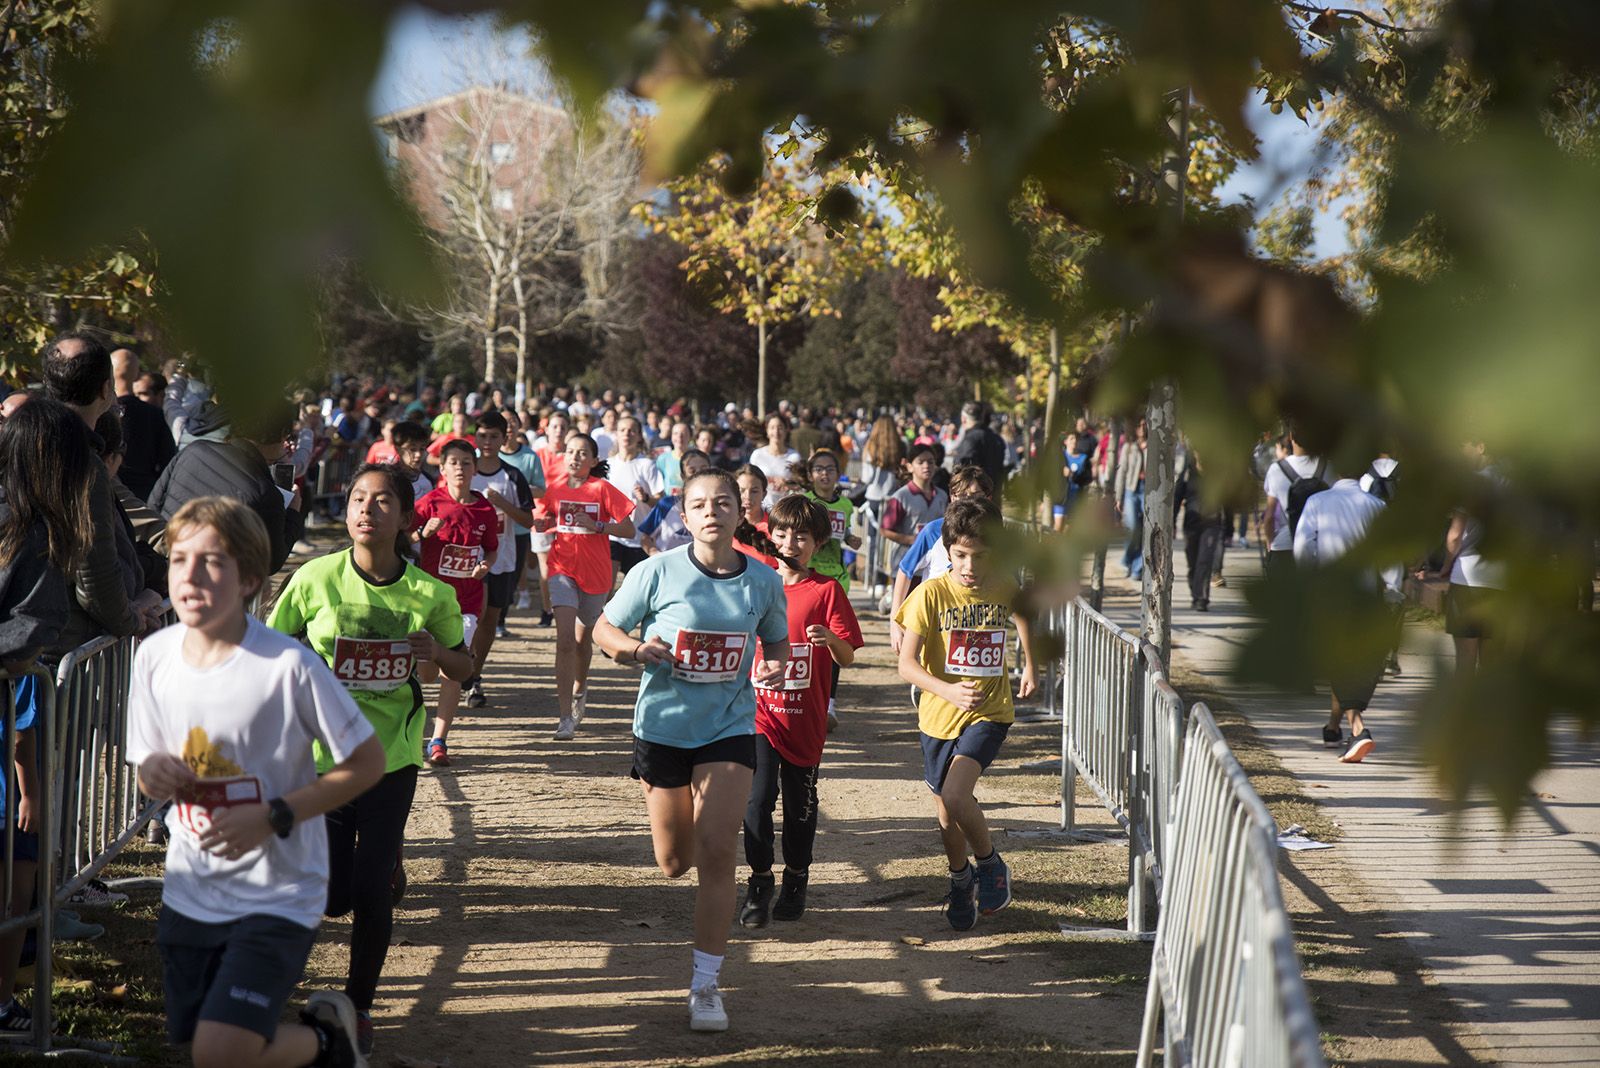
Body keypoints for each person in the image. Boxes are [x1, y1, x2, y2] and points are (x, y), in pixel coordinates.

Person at [128, 496, 384, 1068]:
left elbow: (366, 761)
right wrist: (153, 771)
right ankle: (328, 1047)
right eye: (178, 559)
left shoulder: (287, 665)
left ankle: (324, 1045)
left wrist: (275, 814)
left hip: (279, 892)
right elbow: (146, 766)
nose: (189, 576)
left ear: (248, 579)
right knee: (205, 1047)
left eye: (211, 562)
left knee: (221, 1052)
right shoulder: (153, 656)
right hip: (191, 888)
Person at [268, 466, 475, 1056]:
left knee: (371, 888)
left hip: (391, 757)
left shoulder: (430, 593)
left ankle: (359, 1005)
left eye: (382, 501)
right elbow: (271, 645)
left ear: (406, 518)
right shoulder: (315, 578)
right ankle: (373, 876)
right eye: (359, 499)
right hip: (321, 758)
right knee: (332, 895)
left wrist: (435, 652)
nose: (367, 510)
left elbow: (462, 669)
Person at [590, 468, 790, 1032]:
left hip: (729, 726)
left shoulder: (762, 580)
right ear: (683, 513)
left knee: (719, 851)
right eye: (700, 504)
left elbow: (775, 636)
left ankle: (706, 986)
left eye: (722, 503)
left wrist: (771, 660)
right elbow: (604, 627)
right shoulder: (656, 571)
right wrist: (634, 650)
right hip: (663, 727)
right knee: (675, 861)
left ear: (738, 512)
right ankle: (694, 853)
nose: (711, 512)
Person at [893, 497, 1037, 931]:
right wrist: (946, 690)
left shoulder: (1003, 585)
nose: (970, 566)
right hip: (938, 713)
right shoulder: (931, 593)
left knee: (957, 796)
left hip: (989, 710)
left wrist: (1029, 663)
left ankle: (990, 864)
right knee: (944, 813)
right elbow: (906, 664)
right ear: (948, 550)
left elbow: (1023, 614)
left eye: (981, 556)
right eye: (960, 555)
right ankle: (960, 880)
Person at [0, 397, 90, 1033]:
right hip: (8, 725)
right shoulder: (32, 532)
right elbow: (28, 632)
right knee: (14, 881)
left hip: (13, 722)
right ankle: (4, 1005)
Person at [735, 496, 863, 928]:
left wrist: (829, 638)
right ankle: (758, 881)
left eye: (802, 536)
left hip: (805, 721)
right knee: (756, 801)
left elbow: (848, 658)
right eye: (784, 533)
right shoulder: (756, 582)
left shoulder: (828, 591)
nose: (791, 543)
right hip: (761, 715)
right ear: (771, 534)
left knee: (800, 806)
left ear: (818, 543)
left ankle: (796, 878)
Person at [532, 432, 635, 741]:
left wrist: (599, 526)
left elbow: (629, 528)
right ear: (564, 456)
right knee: (564, 640)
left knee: (580, 642)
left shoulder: (601, 489)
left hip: (596, 575)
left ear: (593, 460)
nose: (575, 457)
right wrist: (541, 524)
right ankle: (564, 717)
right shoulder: (556, 489)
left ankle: (581, 686)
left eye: (582, 453)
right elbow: (548, 519)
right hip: (561, 570)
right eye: (571, 452)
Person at [1295, 474, 1402, 763]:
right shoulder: (1376, 505)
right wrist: (1393, 587)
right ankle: (1333, 726)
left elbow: (1303, 548)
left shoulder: (1317, 502)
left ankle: (1358, 729)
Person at [410, 439, 498, 766]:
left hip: (466, 603)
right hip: (429, 601)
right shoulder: (429, 503)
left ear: (475, 469)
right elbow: (400, 537)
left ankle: (438, 740)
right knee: (428, 673)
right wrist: (422, 535)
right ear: (442, 469)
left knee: (453, 671)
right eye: (454, 462)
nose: (460, 468)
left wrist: (485, 565)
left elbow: (490, 548)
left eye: (466, 462)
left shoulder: (485, 509)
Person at [464, 411, 536, 704]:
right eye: (483, 436)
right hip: (467, 561)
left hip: (502, 558)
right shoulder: (464, 471)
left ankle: (475, 677)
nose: (488, 442)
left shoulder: (513, 475)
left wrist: (502, 503)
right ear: (475, 436)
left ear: (505, 436)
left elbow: (528, 520)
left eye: (494, 436)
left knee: (489, 620)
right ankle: (464, 670)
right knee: (471, 618)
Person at [889, 466, 995, 652]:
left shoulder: (996, 537)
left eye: (975, 495)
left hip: (975, 629)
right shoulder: (933, 532)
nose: (968, 501)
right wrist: (895, 622)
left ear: (988, 498)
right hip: (934, 626)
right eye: (961, 495)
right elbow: (905, 571)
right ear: (952, 498)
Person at [1262, 425, 1331, 582]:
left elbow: (1269, 517)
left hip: (1285, 544)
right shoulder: (1328, 467)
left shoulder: (1276, 469)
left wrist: (1270, 545)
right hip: (1321, 546)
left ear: (1291, 437)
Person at [110, 347, 177, 502]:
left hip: (107, 495)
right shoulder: (153, 414)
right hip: (145, 495)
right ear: (136, 375)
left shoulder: (99, 413)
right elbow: (168, 459)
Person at [606, 416, 666, 582]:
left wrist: (646, 498)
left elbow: (660, 501)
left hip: (638, 537)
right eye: (623, 430)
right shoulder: (608, 465)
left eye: (632, 430)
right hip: (612, 534)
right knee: (606, 587)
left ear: (639, 436)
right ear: (616, 434)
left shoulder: (647, 465)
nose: (627, 434)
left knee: (633, 589)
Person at [529, 409, 572, 627]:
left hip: (566, 518)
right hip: (540, 517)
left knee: (567, 568)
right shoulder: (537, 454)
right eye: (555, 426)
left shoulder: (573, 455)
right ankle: (547, 611)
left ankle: (567, 611)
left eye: (563, 427)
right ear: (546, 429)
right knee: (545, 569)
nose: (558, 431)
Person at [881, 443, 948, 576]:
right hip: (906, 565)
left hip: (933, 567)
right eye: (920, 462)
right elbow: (884, 530)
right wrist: (911, 539)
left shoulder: (942, 496)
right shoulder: (901, 496)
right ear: (910, 466)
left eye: (930, 462)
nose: (926, 466)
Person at [638, 450, 712, 557]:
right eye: (692, 470)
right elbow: (645, 538)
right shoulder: (667, 504)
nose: (699, 474)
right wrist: (657, 556)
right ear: (683, 476)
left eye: (704, 469)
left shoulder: (717, 507)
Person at [1176, 455, 1226, 611]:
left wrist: (1229, 526)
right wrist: (1170, 521)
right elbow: (1177, 495)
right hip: (1191, 522)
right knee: (1192, 562)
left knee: (1204, 560)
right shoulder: (1187, 472)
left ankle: (1201, 598)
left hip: (1212, 523)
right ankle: (1195, 592)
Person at [1113, 421, 1148, 580]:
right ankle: (1128, 560)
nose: (1141, 428)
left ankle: (1137, 568)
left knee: (1146, 531)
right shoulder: (1129, 447)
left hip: (1149, 491)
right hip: (1131, 490)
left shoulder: (1155, 445)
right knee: (1133, 528)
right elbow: (1121, 472)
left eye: (1144, 424)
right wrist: (1118, 497)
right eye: (1138, 425)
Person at [952, 401, 1009, 488]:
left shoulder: (971, 439)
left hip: (975, 494)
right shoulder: (996, 438)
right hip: (993, 493)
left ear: (963, 419)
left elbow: (961, 467)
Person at [748, 414, 801, 487]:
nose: (776, 432)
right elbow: (750, 480)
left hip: (787, 497)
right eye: (772, 428)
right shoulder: (757, 455)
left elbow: (800, 483)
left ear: (786, 431)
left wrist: (787, 483)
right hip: (763, 498)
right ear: (767, 431)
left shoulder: (794, 457)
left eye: (780, 427)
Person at [655, 420, 693, 491]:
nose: (679, 437)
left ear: (690, 437)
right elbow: (658, 485)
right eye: (675, 433)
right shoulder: (663, 458)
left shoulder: (696, 459)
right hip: (668, 500)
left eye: (684, 433)